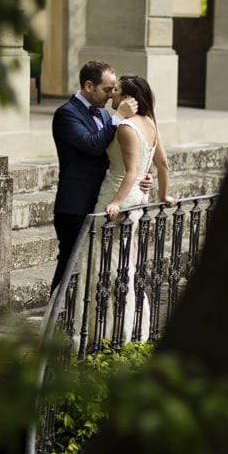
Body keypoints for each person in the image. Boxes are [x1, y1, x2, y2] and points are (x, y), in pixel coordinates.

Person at [84, 74, 177, 346]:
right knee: (125, 263)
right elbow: (163, 165)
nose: (111, 95)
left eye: (116, 91)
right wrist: (163, 194)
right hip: (138, 198)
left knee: (104, 264)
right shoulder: (151, 123)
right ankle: (126, 328)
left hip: (119, 196)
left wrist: (114, 202)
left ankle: (106, 330)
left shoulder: (126, 126)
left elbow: (131, 171)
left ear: (128, 98)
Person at [50, 60, 142, 294]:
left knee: (91, 268)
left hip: (100, 199)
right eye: (107, 89)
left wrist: (141, 176)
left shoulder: (103, 112)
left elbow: (114, 154)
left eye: (114, 89)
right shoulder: (65, 114)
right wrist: (118, 117)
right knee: (70, 266)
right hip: (75, 205)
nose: (111, 96)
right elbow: (92, 146)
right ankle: (53, 323)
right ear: (89, 86)